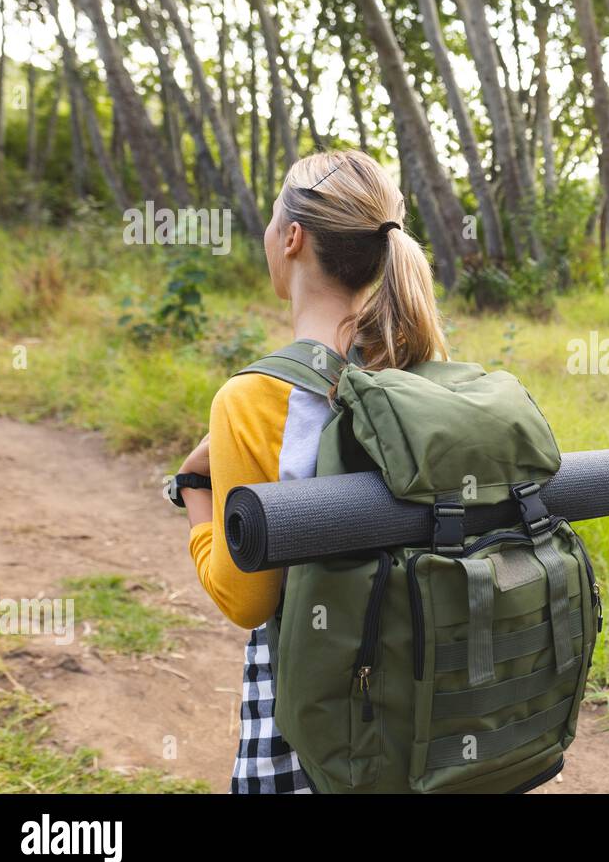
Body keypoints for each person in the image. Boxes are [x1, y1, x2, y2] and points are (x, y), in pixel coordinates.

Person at [176, 149, 449, 792]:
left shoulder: (252, 399)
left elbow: (246, 600)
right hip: (424, 698)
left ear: (292, 238)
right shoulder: (419, 369)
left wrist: (195, 496)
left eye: (273, 221)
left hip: (314, 718)